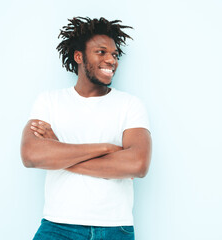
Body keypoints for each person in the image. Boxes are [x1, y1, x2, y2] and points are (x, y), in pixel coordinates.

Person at [20, 17, 152, 240]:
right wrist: (109, 149)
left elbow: (137, 164)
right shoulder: (48, 102)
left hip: (115, 229)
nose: (111, 60)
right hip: (58, 226)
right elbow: (31, 155)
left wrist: (59, 152)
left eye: (114, 54)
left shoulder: (130, 105)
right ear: (79, 56)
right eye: (101, 52)